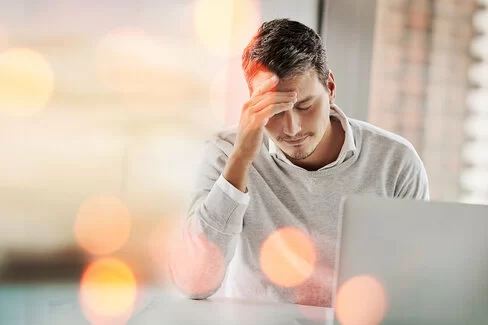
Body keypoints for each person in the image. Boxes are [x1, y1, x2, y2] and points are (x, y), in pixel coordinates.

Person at [169, 18, 429, 307]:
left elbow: (414, 286)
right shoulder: (227, 151)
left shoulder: (395, 162)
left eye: (304, 106)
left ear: (330, 88)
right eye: (274, 111)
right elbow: (194, 283)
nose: (291, 129)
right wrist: (241, 159)